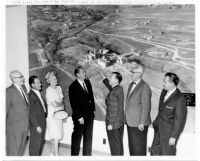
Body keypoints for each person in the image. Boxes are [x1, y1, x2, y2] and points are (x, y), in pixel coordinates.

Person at [151, 72, 187, 155]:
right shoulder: (164, 92)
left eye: (165, 82)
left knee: (167, 154)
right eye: (163, 81)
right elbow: (161, 110)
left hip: (169, 133)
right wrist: (156, 123)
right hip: (159, 129)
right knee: (154, 152)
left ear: (172, 83)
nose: (163, 83)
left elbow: (180, 120)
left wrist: (174, 137)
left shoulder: (180, 99)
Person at [68, 66, 96, 156]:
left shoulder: (87, 82)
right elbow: (73, 104)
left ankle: (87, 155)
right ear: (77, 74)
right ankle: (74, 155)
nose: (85, 74)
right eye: (83, 72)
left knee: (88, 137)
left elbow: (91, 97)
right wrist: (79, 117)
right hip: (80, 118)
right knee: (77, 138)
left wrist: (94, 109)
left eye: (85, 72)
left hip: (89, 115)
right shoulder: (73, 87)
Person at [125, 64, 152, 156]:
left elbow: (146, 106)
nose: (131, 74)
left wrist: (141, 122)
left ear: (139, 74)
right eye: (131, 72)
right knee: (132, 148)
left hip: (139, 124)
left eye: (133, 72)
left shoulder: (145, 87)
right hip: (130, 122)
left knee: (139, 149)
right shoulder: (131, 85)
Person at [101, 71, 124, 155]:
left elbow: (113, 109)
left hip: (113, 124)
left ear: (117, 80)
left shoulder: (113, 93)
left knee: (114, 146)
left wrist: (110, 124)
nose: (109, 78)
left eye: (111, 77)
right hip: (119, 123)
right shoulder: (119, 88)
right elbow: (111, 88)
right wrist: (105, 79)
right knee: (118, 144)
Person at [6, 70, 29, 156]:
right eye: (20, 77)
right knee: (13, 152)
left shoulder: (23, 88)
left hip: (24, 125)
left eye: (22, 76)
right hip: (14, 128)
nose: (22, 78)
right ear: (13, 79)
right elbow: (4, 111)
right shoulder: (9, 91)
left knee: (20, 151)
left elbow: (26, 105)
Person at [45, 72, 65, 156]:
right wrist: (60, 104)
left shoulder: (59, 88)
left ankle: (52, 153)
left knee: (57, 134)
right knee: (55, 134)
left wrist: (63, 110)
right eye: (53, 79)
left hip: (59, 113)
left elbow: (62, 102)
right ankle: (56, 155)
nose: (55, 80)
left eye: (55, 78)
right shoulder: (48, 90)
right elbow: (54, 104)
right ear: (49, 81)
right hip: (52, 114)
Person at [28, 76, 47, 156]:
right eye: (38, 83)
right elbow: (30, 112)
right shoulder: (30, 95)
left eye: (40, 82)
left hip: (42, 120)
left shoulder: (38, 93)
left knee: (40, 144)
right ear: (32, 85)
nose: (41, 84)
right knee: (35, 146)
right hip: (37, 124)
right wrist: (37, 126)